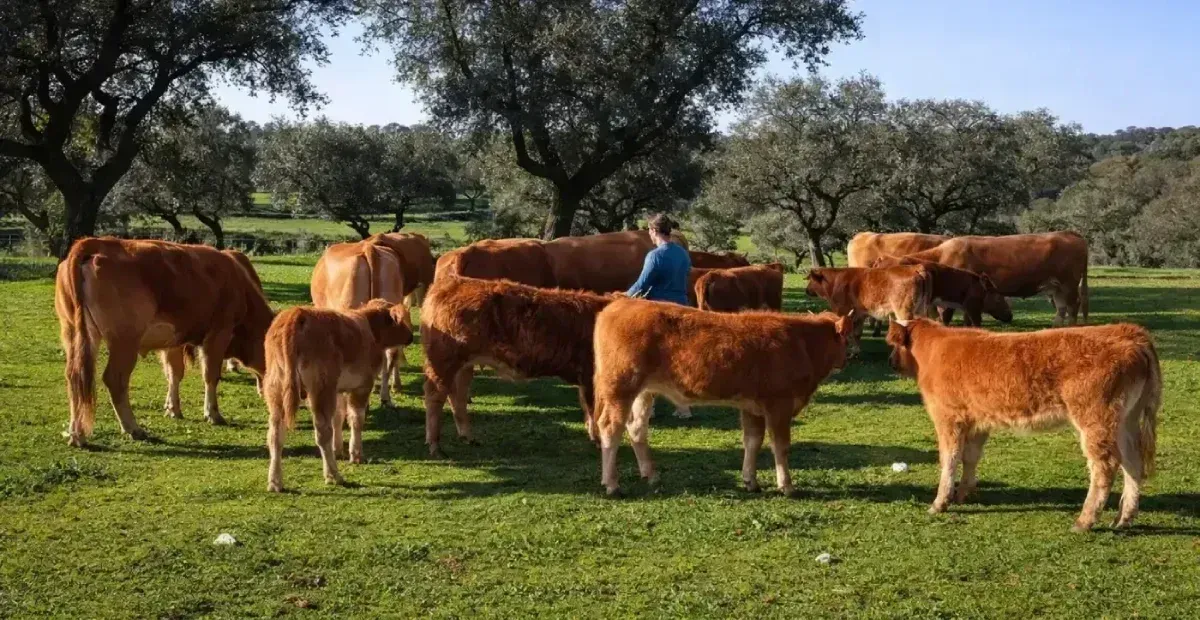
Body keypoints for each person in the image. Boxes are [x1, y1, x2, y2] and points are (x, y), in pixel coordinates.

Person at [625, 214, 691, 305]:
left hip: (661, 307)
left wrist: (623, 296)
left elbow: (641, 285)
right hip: (682, 305)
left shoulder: (655, 255)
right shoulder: (683, 253)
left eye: (649, 230)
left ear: (654, 230)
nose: (649, 233)